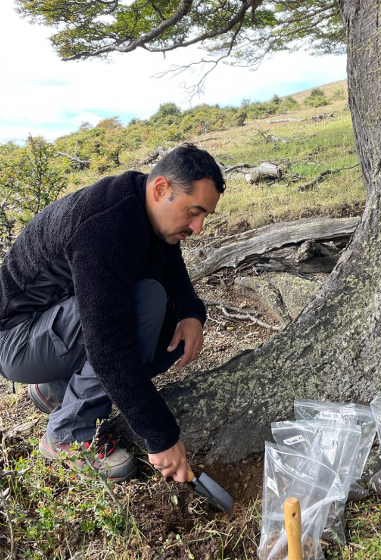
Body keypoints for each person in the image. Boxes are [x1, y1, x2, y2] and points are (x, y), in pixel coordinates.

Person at [0, 143, 223, 483]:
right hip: (17, 340)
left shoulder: (144, 205)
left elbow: (168, 257)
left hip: (51, 327)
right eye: (194, 212)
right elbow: (109, 349)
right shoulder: (106, 227)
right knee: (145, 301)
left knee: (167, 330)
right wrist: (161, 435)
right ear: (161, 188)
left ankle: (56, 389)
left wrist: (191, 312)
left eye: (205, 215)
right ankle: (68, 434)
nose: (199, 227)